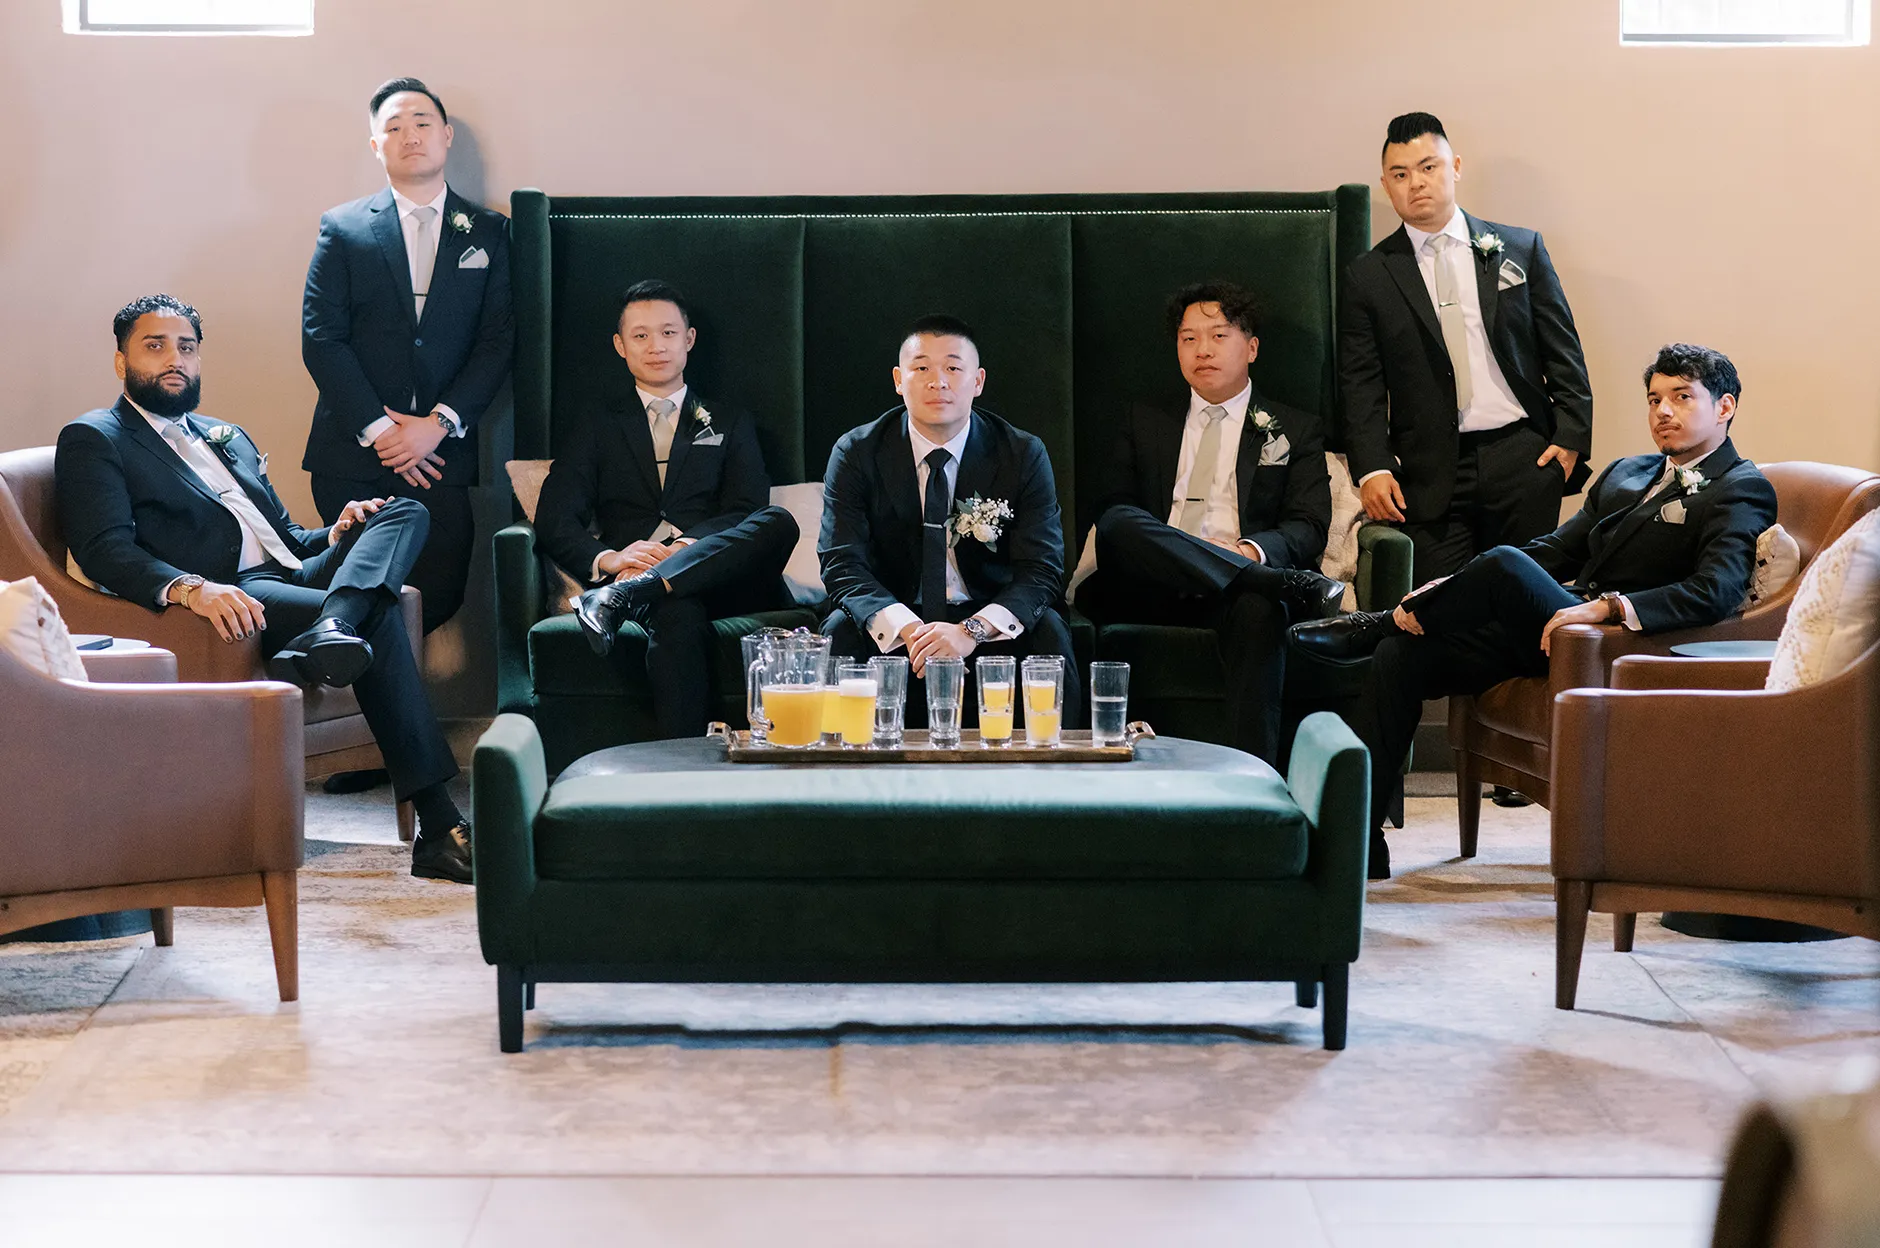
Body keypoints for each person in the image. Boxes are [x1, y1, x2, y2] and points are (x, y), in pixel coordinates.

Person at [1293, 344, 1777, 879]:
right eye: (1655, 399)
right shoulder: (1628, 472)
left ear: (1725, 407)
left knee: (1500, 562)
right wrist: (1456, 583)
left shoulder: (1742, 488)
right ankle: (1360, 841)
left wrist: (1608, 607)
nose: (1663, 411)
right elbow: (1558, 548)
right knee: (1401, 656)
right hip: (1557, 624)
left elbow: (1718, 589)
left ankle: (1375, 620)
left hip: (1617, 640)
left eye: (1682, 398)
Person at [57, 296, 474, 884]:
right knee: (378, 615)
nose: (174, 359)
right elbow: (104, 549)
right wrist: (188, 588)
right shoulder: (95, 437)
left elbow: (289, 538)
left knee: (403, 509)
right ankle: (440, 822)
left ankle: (334, 624)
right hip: (235, 593)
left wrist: (337, 530)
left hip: (294, 574)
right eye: (155, 346)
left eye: (186, 347)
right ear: (122, 362)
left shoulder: (224, 434)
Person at [1080, 281, 1342, 762]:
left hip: (1232, 592)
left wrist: (1245, 554)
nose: (1202, 350)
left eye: (1219, 336)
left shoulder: (1293, 427)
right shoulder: (1145, 419)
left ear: (1252, 347)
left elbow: (1307, 524)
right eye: (1188, 338)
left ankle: (1251, 784)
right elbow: (1113, 509)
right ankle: (1269, 581)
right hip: (1150, 584)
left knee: (1262, 611)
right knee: (1119, 522)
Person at [1339, 111, 1594, 586]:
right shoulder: (1368, 277)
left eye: (1428, 166)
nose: (1416, 182)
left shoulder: (1520, 248)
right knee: (1442, 610)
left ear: (1454, 166)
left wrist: (1571, 436)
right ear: (1386, 184)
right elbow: (1361, 382)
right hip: (1429, 470)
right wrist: (1371, 468)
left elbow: (1563, 350)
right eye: (1400, 174)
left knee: (1525, 600)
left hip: (1524, 457)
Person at [301, 76, 512, 635]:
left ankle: (392, 712)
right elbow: (321, 338)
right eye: (393, 127)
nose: (409, 135)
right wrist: (382, 432)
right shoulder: (343, 228)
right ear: (376, 146)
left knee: (437, 593)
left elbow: (497, 343)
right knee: (351, 592)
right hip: (352, 454)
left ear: (445, 137)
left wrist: (437, 426)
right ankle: (378, 718)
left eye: (421, 123)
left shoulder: (489, 232)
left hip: (442, 456)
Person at [541, 280, 798, 739]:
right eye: (640, 336)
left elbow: (747, 506)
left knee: (777, 520)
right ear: (620, 346)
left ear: (689, 339)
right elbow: (555, 517)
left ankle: (627, 594)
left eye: (668, 333)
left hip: (726, 576)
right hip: (641, 578)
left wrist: (684, 548)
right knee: (676, 613)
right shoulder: (596, 424)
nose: (655, 346)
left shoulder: (730, 419)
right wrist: (611, 559)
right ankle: (682, 768)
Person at [819, 314, 1079, 726]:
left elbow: (1042, 570)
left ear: (977, 382)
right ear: (898, 380)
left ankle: (1057, 778)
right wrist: (908, 628)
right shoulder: (857, 452)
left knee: (1048, 632)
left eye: (953, 368)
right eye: (921, 368)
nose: (937, 381)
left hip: (985, 614)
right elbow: (842, 563)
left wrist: (970, 631)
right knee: (838, 630)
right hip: (897, 614)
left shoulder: (1021, 453)